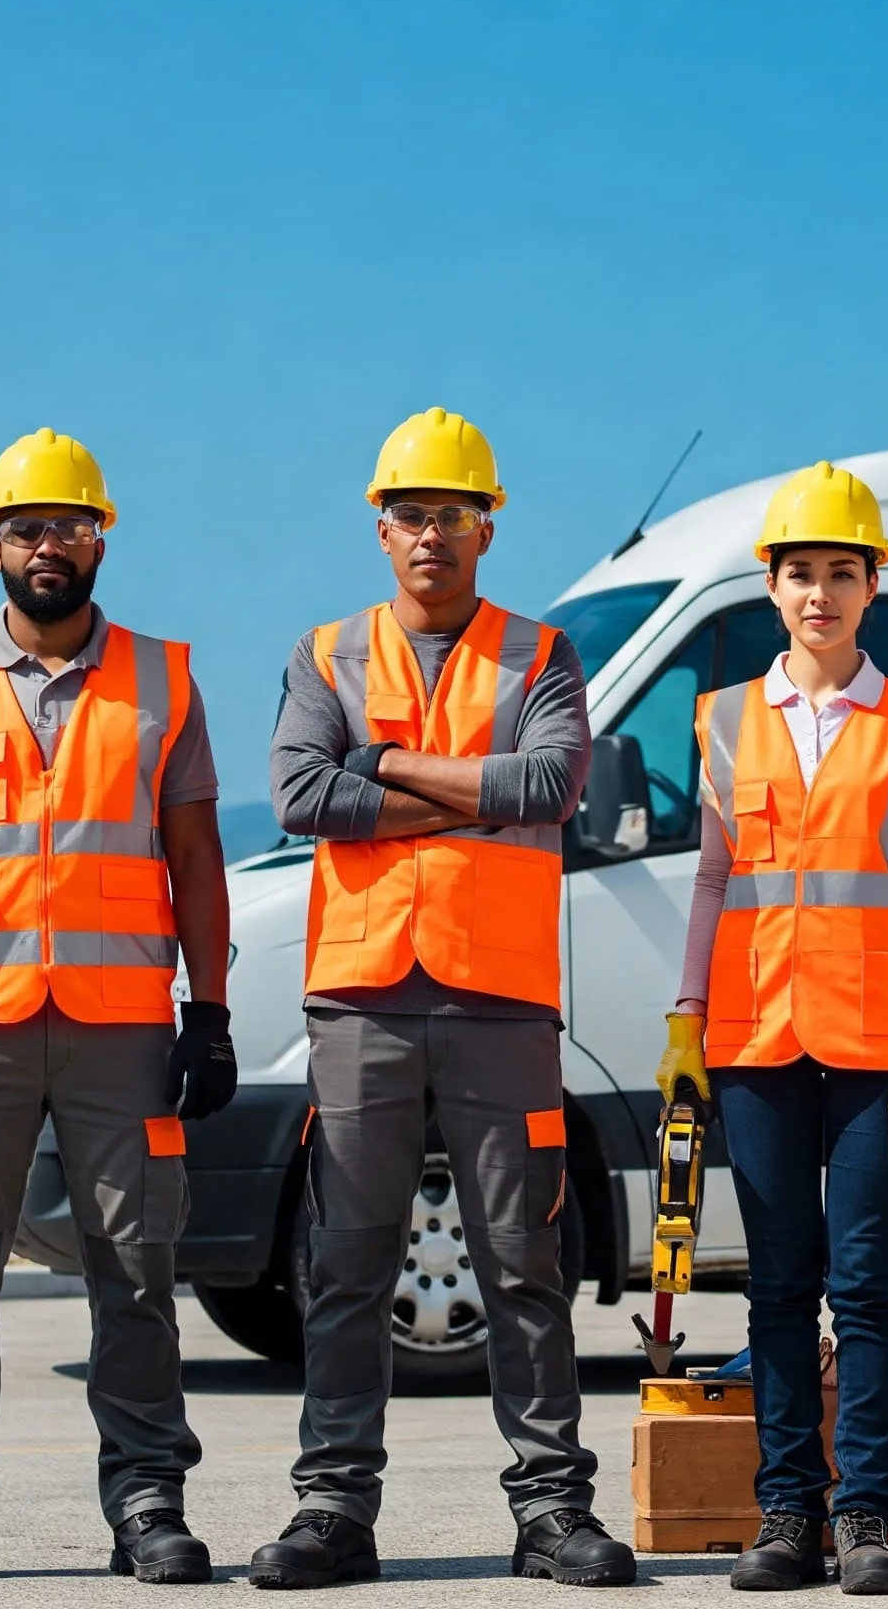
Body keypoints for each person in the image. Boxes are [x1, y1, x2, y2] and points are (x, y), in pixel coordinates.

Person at [249, 407, 633, 1590]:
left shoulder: (542, 653)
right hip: (361, 996)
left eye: (450, 513)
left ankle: (552, 1511)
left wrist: (390, 763)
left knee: (523, 1259)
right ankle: (332, 1509)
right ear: (381, 528)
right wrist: (469, 793)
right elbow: (299, 795)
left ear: (486, 525)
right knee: (348, 1258)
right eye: (410, 513)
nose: (430, 533)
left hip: (499, 999)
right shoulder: (326, 651)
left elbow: (552, 783)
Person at [0, 428, 234, 1587]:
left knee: (136, 1264)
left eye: (68, 524)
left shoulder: (163, 676)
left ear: (100, 535)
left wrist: (208, 1011)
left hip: (122, 1020)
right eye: (26, 527)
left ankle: (147, 1501)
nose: (47, 544)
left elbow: (197, 855)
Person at [655, 461, 888, 1596]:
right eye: (799, 572)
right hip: (752, 1035)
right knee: (777, 1281)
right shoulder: (724, 718)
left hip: (880, 1039)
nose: (819, 591)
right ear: (769, 587)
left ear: (873, 583)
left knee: (865, 1280)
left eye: (841, 570)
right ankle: (787, 1510)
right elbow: (707, 881)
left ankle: (866, 1517)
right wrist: (685, 1019)